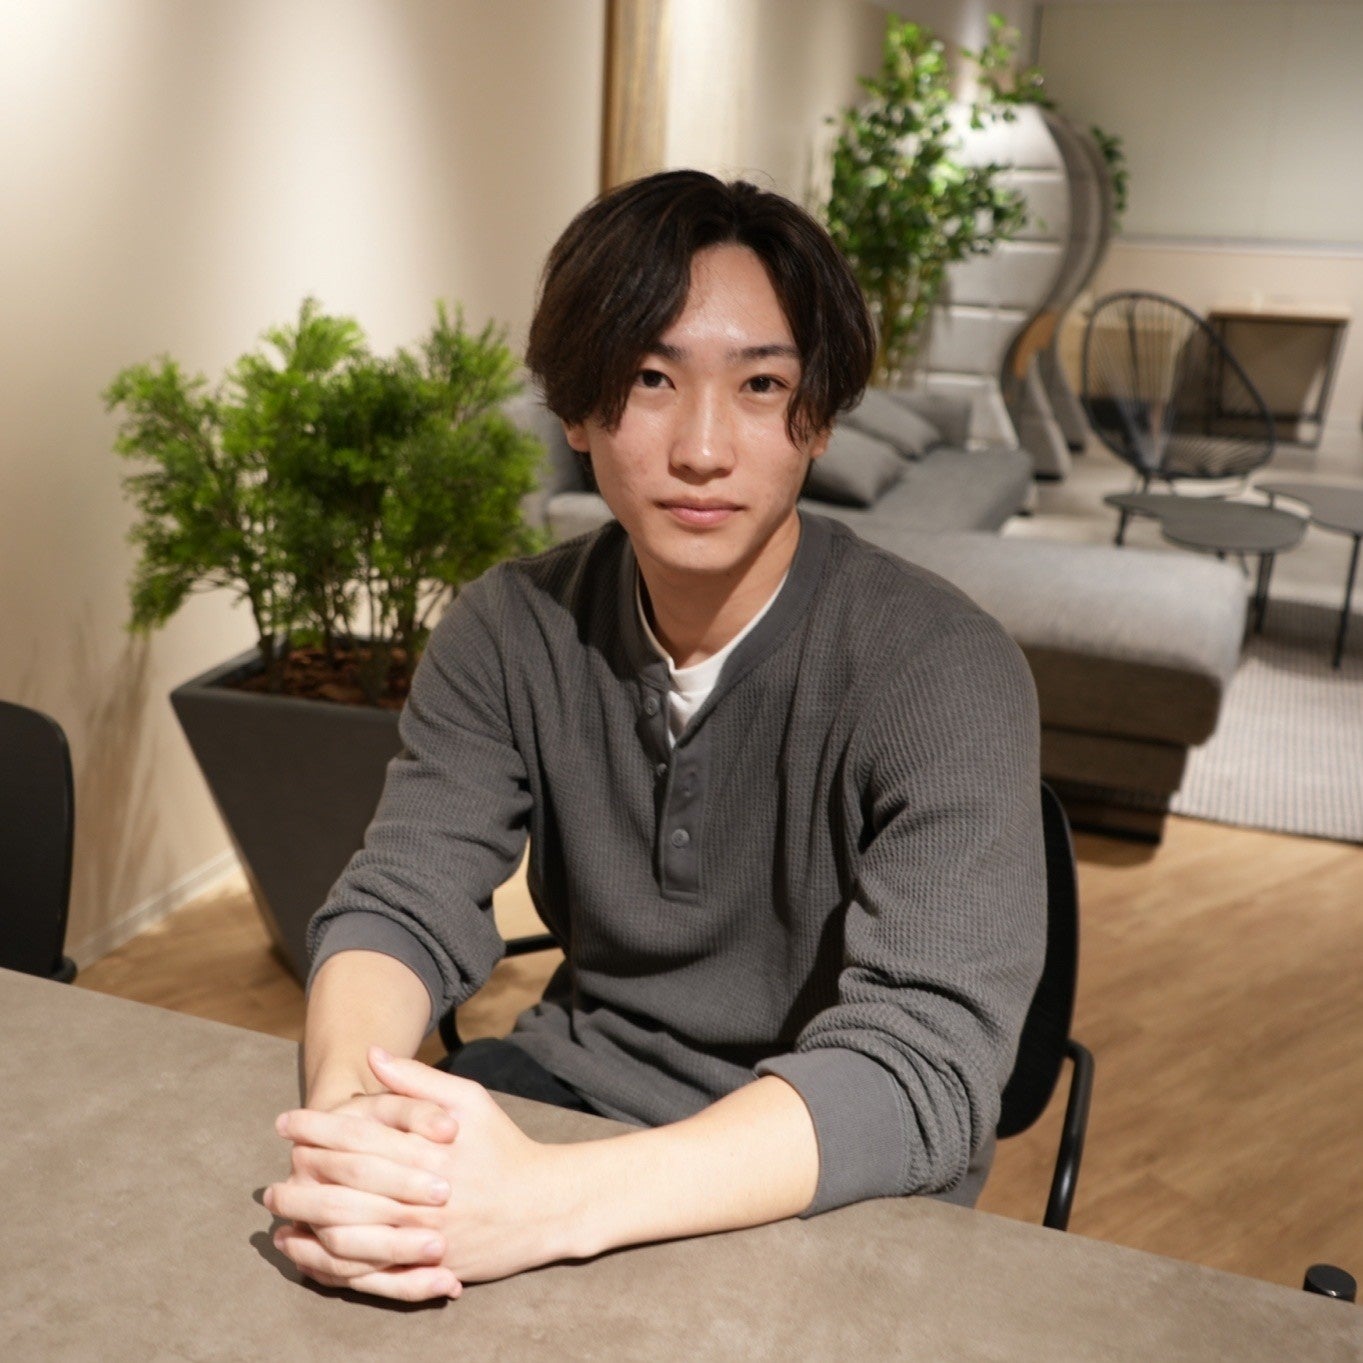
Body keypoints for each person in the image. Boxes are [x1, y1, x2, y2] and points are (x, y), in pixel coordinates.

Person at [264, 169, 1045, 1302]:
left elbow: (923, 1066)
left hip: (830, 1168)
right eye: (649, 378)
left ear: (819, 417)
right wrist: (349, 1118)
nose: (702, 448)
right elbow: (403, 895)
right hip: (570, 1097)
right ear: (578, 411)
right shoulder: (511, 626)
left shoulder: (941, 670)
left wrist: (547, 1204)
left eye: (762, 384)